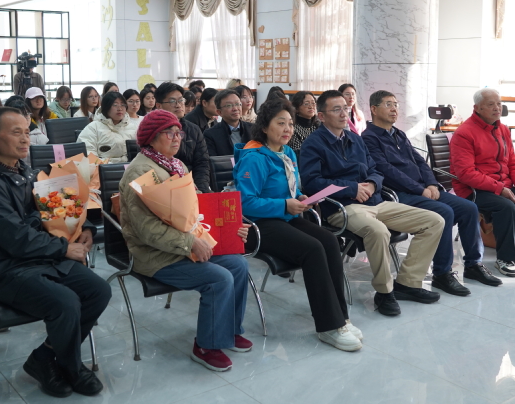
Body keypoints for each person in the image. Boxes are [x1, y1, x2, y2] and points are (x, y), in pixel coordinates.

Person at [0, 107, 109, 397]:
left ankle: (44, 357)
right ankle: (71, 367)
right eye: (16, 132)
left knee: (98, 290)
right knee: (65, 302)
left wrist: (84, 227)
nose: (25, 139)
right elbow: (16, 238)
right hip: (5, 268)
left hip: (41, 258)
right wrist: (64, 247)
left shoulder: (24, 171)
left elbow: (53, 206)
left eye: (27, 132)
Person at [120, 110, 251, 371]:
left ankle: (227, 329)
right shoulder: (141, 172)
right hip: (155, 255)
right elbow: (147, 230)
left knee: (238, 265)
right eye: (168, 133)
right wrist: (190, 243)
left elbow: (193, 212)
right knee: (219, 278)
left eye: (178, 132)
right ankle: (206, 345)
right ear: (150, 138)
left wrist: (230, 228)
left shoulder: (174, 165)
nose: (177, 137)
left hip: (182, 244)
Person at [300, 90, 444, 316]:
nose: (343, 114)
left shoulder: (355, 139)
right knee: (378, 231)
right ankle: (384, 292)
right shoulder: (313, 144)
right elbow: (311, 183)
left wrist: (372, 184)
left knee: (434, 221)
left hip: (375, 201)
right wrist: (352, 188)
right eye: (336, 110)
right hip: (343, 207)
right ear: (321, 116)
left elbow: (375, 169)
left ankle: (407, 283)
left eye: (345, 108)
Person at [233, 97, 361, 352]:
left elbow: (292, 188)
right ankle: (328, 326)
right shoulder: (254, 157)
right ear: (265, 127)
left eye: (290, 124)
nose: (288, 129)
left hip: (286, 217)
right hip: (259, 226)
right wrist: (284, 205)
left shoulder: (288, 153)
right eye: (281, 123)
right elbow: (245, 203)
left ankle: (341, 318)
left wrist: (301, 197)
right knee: (312, 248)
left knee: (329, 240)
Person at [362, 90, 501, 294]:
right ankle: (442, 274)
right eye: (388, 104)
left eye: (396, 104)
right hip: (400, 194)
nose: (394, 109)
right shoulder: (368, 138)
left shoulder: (398, 134)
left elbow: (420, 161)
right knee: (444, 212)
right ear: (374, 110)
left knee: (469, 208)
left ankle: (473, 264)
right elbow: (386, 171)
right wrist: (420, 189)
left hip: (422, 189)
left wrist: (432, 184)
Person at [450, 88, 515, 277]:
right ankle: (505, 258)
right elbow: (466, 173)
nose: (497, 108)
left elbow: (513, 161)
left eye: (499, 103)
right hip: (474, 190)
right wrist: (499, 188)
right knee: (506, 207)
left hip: (503, 186)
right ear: (477, 108)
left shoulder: (502, 129)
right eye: (491, 104)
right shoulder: (464, 133)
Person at [154, 82, 212, 193]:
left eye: (181, 100)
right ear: (159, 106)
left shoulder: (194, 130)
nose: (178, 105)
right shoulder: (153, 132)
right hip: (164, 189)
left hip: (193, 186)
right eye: (172, 101)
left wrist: (202, 191)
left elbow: (202, 163)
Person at [76, 91, 134, 163]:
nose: (120, 108)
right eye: (115, 105)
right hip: (103, 167)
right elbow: (88, 156)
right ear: (106, 107)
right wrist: (107, 166)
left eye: (123, 105)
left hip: (130, 167)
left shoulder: (133, 128)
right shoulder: (93, 128)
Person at [204, 89, 252, 157]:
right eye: (229, 105)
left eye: (237, 104)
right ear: (219, 112)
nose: (235, 108)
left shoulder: (253, 129)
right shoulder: (210, 135)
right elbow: (214, 160)